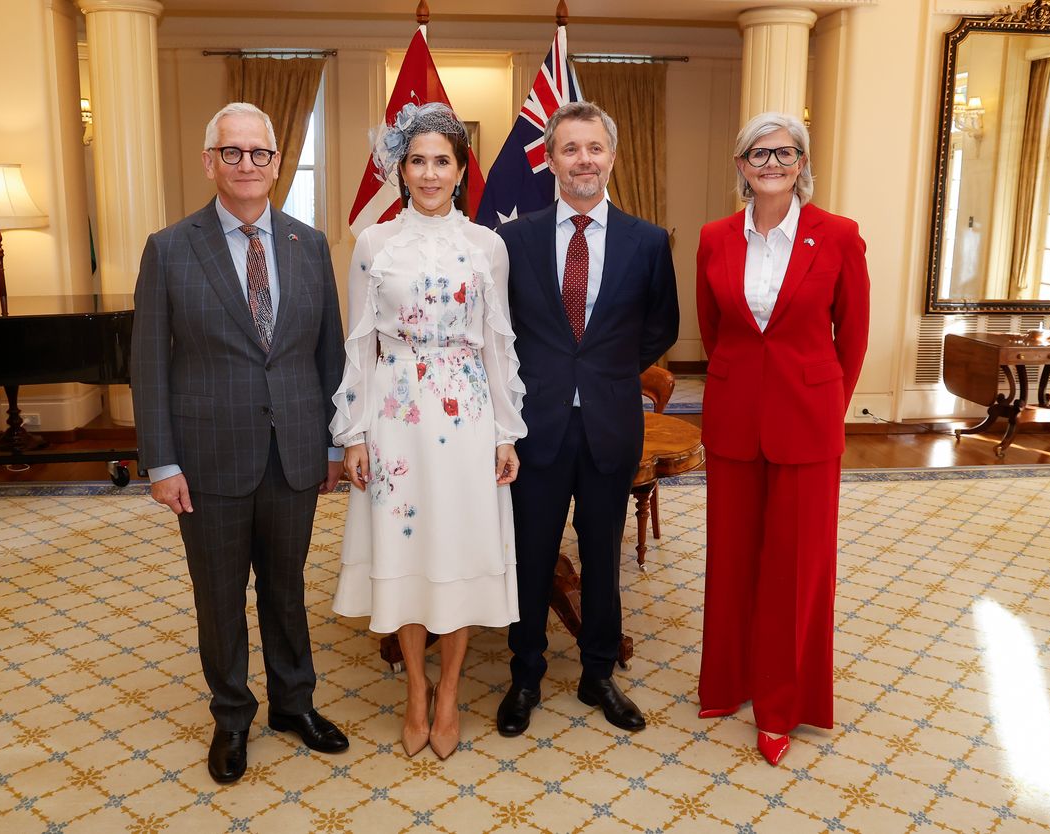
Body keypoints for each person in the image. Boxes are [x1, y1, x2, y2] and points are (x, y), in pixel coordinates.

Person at [131, 102, 349, 785]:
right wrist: (161, 461)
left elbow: (328, 356)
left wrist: (335, 448)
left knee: (287, 591)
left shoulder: (309, 244)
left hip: (295, 454)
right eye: (233, 153)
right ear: (210, 162)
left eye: (260, 154)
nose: (248, 165)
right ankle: (231, 715)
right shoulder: (169, 248)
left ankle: (294, 704)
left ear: (277, 163)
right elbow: (150, 365)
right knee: (220, 598)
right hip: (207, 457)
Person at [330, 102, 525, 760]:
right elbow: (358, 346)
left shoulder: (487, 247)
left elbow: (498, 347)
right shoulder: (373, 244)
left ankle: (449, 694)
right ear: (401, 169)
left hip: (467, 416)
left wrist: (506, 432)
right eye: (418, 160)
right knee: (407, 555)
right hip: (395, 419)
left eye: (443, 160)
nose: (431, 172)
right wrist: (352, 433)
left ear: (461, 168)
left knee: (461, 552)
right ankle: (415, 689)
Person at [494, 101, 680, 736]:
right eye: (570, 148)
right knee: (531, 555)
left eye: (594, 148)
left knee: (602, 557)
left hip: (609, 422)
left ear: (612, 157)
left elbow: (661, 326)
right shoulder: (512, 240)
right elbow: (501, 330)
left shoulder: (648, 241)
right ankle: (525, 674)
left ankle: (599, 672)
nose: (583, 160)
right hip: (535, 425)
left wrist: (605, 368)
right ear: (550, 160)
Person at [694, 112, 870, 766]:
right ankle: (727, 682)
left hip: (808, 420)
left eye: (785, 153)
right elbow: (715, 332)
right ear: (742, 166)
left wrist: (821, 403)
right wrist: (749, 386)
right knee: (732, 557)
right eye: (759, 154)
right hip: (735, 418)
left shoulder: (839, 236)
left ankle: (781, 705)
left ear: (801, 162)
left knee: (797, 570)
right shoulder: (715, 238)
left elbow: (851, 338)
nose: (772, 163)